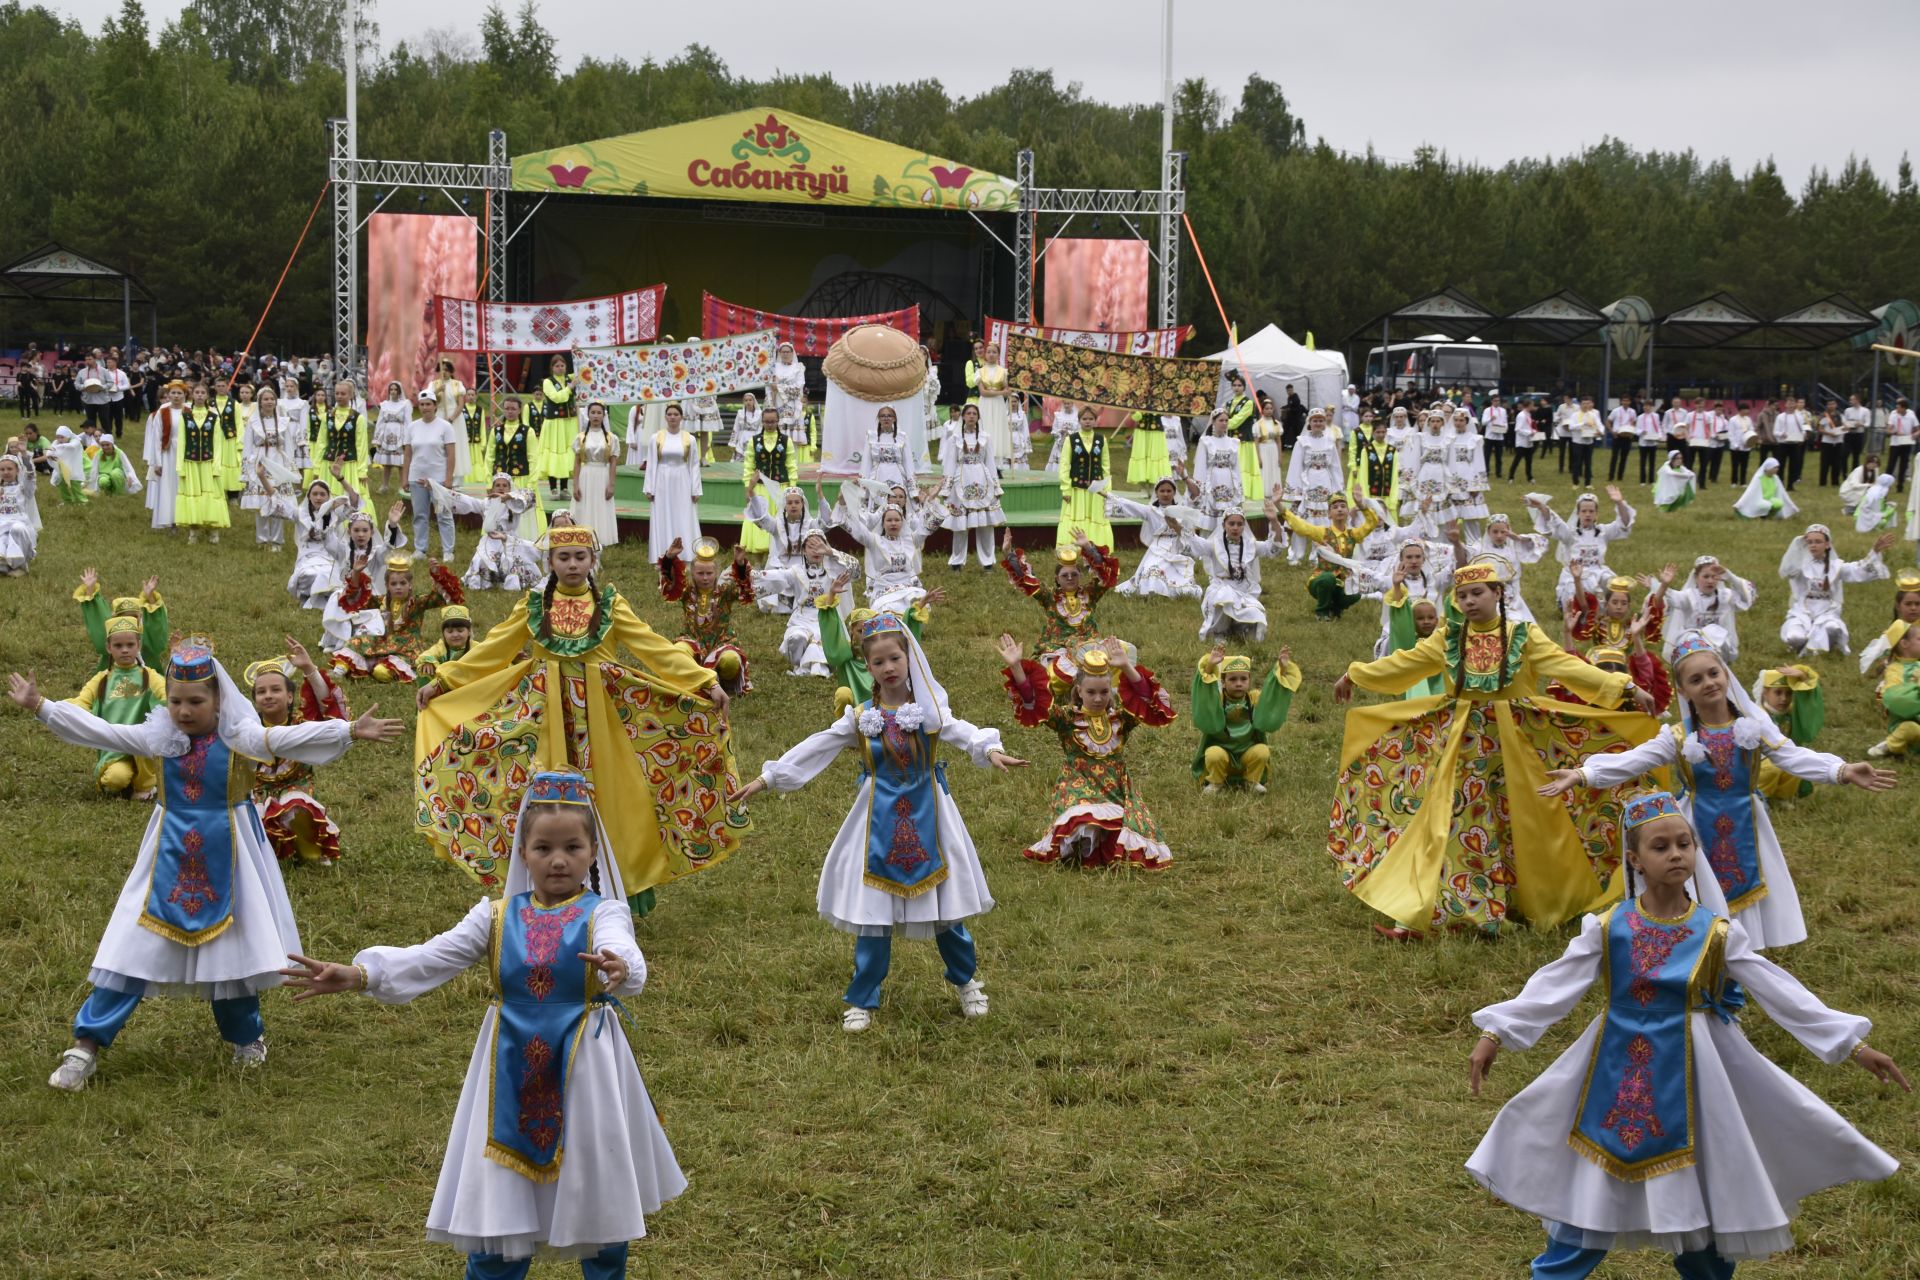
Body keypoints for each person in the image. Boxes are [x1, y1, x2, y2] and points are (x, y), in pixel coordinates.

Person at [1465, 790, 1907, 1280]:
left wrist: (1853, 1044)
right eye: (1660, 847)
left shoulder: (1716, 932)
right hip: (1612, 1072)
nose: (1676, 854)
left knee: (1700, 1190)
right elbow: (1556, 982)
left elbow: (1778, 990)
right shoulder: (1610, 926)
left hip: (1699, 1076)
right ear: (1634, 859)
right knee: (1591, 1190)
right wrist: (1496, 1032)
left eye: (1684, 843)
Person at [277, 769, 684, 1276]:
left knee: (595, 1175)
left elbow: (621, 947)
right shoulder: (493, 917)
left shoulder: (605, 912)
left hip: (586, 1065)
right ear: (522, 852)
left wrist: (620, 966)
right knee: (500, 1191)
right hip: (507, 1066)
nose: (558, 859)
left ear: (594, 851)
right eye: (543, 848)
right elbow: (432, 957)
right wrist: (361, 974)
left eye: (573, 847)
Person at [9, 642, 401, 1092]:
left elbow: (283, 739)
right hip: (166, 856)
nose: (184, 711)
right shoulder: (160, 738)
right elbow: (104, 732)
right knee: (132, 946)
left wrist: (348, 730)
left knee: (233, 950)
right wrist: (41, 706)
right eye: (176, 701)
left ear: (219, 700)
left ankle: (246, 1037)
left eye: (196, 701)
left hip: (231, 854)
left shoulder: (240, 736)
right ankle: (86, 1046)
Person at [1330, 555, 1657, 940]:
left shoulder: (1524, 635)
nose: (1469, 602)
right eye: (1462, 595)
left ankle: (1533, 902)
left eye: (1477, 593)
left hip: (1518, 745)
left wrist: (1625, 687)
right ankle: (1448, 911)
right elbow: (1406, 664)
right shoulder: (1448, 637)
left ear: (1497, 593)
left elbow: (1568, 668)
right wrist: (1356, 673)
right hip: (1462, 747)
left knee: (1523, 822)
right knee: (1452, 823)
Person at [415, 526, 742, 905]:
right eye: (564, 557)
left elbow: (655, 648)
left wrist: (704, 680)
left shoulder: (610, 606)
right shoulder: (534, 605)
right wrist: (444, 681)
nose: (573, 565)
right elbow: (494, 647)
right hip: (542, 714)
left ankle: (615, 890)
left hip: (603, 718)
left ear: (592, 561)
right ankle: (540, 890)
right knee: (541, 796)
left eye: (580, 557)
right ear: (551, 562)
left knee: (614, 796)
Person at [730, 612, 1024, 1031]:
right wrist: (768, 777)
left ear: (909, 659)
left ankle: (966, 981)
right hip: (877, 821)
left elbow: (961, 731)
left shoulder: (929, 712)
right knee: (873, 913)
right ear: (866, 667)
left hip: (931, 817)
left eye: (895, 659)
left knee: (946, 909)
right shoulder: (861, 717)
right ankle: (863, 998)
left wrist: (989, 749)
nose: (888, 668)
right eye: (878, 662)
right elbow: (818, 747)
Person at [1542, 632, 1896, 950]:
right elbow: (1635, 759)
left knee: (1748, 880)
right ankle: (1701, 946)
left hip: (1747, 821)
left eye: (1714, 673)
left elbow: (1792, 756)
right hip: (1697, 824)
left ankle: (1745, 950)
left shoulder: (1754, 725)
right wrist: (1583, 773)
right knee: (1702, 887)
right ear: (1684, 691)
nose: (1709, 683)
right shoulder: (1679, 736)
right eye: (1696, 680)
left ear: (1726, 674)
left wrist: (1842, 770)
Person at [999, 634, 1177, 869]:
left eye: (1104, 692)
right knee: (1084, 821)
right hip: (1078, 785)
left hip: (1116, 789)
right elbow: (1034, 702)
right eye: (1091, 692)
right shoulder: (1067, 718)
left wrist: (1126, 666)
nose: (1098, 698)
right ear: (1079, 691)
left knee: (1123, 841)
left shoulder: (1120, 719)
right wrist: (1016, 667)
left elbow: (1149, 702)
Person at [246, 639, 350, 868]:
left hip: (295, 788)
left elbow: (328, 711)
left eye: (275, 690)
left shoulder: (301, 724)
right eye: (261, 692)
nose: (268, 695)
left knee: (296, 809)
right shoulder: (248, 729)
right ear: (255, 700)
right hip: (258, 793)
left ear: (290, 696)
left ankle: (308, 848)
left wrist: (309, 669)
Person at [65, 614, 166, 799]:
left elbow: (169, 695)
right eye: (118, 646)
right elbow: (81, 702)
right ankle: (137, 784)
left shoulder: (150, 676)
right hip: (114, 749)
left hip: (144, 751)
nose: (125, 650)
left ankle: (144, 783)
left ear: (139, 645)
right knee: (114, 781)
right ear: (109, 648)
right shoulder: (101, 679)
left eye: (130, 645)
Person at [327, 552, 462, 684]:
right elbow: (354, 599)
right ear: (387, 586)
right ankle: (339, 671)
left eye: (403, 583)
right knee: (356, 641)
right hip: (381, 643)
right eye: (394, 584)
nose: (398, 587)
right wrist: (356, 573)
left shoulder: (417, 602)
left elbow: (439, 598)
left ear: (410, 585)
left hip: (406, 648)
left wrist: (437, 573)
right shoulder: (381, 601)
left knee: (380, 672)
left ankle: (381, 668)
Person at [1189, 645, 1299, 794]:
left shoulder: (1254, 698)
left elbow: (1272, 696)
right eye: (1232, 679)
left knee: (1262, 751)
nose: (1238, 683)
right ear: (1223, 682)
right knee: (1213, 753)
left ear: (1249, 680)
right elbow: (1204, 692)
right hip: (1223, 754)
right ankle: (1216, 782)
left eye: (1243, 679)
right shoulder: (1217, 699)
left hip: (1247, 754)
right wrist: (1210, 666)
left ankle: (1251, 781)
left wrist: (1282, 669)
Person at [1000, 529, 1117, 665]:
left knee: (1122, 650)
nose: (1069, 578)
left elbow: (1106, 574)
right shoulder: (1050, 596)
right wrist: (1008, 554)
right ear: (1057, 579)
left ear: (1080, 576)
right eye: (1064, 575)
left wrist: (1088, 548)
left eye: (1074, 574)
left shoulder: (1089, 593)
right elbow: (1024, 578)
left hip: (1089, 644)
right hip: (1059, 647)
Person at [657, 537, 754, 697]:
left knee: (730, 661)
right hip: (692, 640)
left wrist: (740, 564)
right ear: (692, 573)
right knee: (677, 653)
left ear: (716, 573)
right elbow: (669, 584)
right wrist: (669, 557)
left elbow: (745, 590)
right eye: (700, 573)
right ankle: (692, 682)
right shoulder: (686, 590)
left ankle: (723, 683)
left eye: (709, 573)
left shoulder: (725, 590)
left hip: (722, 642)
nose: (705, 577)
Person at [1779, 525, 1895, 655]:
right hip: (1802, 612)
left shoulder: (1836, 566)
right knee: (1794, 637)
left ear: (1827, 544)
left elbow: (1858, 569)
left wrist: (1874, 551)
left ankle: (1824, 644)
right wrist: (1797, 543)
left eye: (1818, 542)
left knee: (1832, 628)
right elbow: (1786, 570)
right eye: (1810, 542)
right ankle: (1802, 644)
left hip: (1826, 613)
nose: (1813, 545)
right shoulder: (1799, 566)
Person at [1184, 504, 1283, 643]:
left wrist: (1274, 521)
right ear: (1224, 525)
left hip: (1244, 590)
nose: (1235, 528)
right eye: (1231, 523)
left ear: (1244, 526)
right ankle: (1219, 632)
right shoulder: (1214, 545)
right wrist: (1178, 523)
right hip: (1221, 587)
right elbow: (1194, 542)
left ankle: (1239, 629)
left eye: (1239, 524)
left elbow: (1273, 548)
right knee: (1225, 597)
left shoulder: (1251, 546)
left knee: (1256, 617)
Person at [434, 474, 542, 591]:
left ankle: (510, 582)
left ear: (509, 488)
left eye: (505, 485)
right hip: (490, 541)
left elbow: (530, 495)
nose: (501, 488)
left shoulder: (514, 503)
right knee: (480, 559)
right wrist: (435, 488)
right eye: (498, 485)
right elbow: (465, 501)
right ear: (492, 488)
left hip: (508, 540)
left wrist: (508, 497)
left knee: (510, 560)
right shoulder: (486, 503)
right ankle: (485, 581)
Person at [1282, 494, 1377, 620]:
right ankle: (1322, 612)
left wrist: (1361, 505)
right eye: (1335, 507)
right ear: (1329, 514)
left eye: (1343, 506)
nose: (1339, 509)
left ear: (1348, 512)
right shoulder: (1322, 532)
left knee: (1358, 591)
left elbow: (1372, 523)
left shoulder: (1353, 534)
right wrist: (1280, 506)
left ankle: (1335, 608)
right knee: (1328, 578)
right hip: (1321, 579)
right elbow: (1301, 527)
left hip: (1343, 581)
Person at [1106, 476, 1202, 599]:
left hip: (1175, 550)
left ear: (1174, 492)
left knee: (1180, 583)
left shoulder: (1181, 511)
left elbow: (1195, 497)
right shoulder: (1151, 511)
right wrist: (1105, 494)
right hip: (1156, 551)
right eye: (1162, 491)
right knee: (1152, 572)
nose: (1165, 494)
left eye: (1169, 491)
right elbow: (1129, 505)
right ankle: (1153, 590)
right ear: (1156, 493)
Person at [937, 403, 1003, 569]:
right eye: (969, 413)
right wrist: (946, 487)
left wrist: (996, 486)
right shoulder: (955, 438)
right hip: (961, 482)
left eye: (974, 413)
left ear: (978, 417)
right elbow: (950, 464)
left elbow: (990, 463)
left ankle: (988, 561)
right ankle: (957, 561)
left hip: (982, 482)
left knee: (986, 524)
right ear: (963, 416)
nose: (972, 416)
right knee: (960, 523)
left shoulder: (986, 438)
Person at [240, 384, 301, 552]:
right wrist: (247, 471)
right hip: (260, 461)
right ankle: (262, 539)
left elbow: (289, 446)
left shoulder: (283, 421)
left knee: (278, 501)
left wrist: (290, 470)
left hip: (278, 461)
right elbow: (247, 446)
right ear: (259, 402)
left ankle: (276, 541)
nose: (269, 402)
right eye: (265, 399)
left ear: (276, 401)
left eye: (272, 399)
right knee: (262, 503)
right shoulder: (253, 422)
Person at [1662, 556, 1756, 662]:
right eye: (1706, 577)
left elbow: (1747, 596)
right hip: (1693, 647)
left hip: (1718, 646)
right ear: (1696, 578)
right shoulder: (1689, 596)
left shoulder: (1725, 596)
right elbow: (1668, 598)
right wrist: (1664, 584)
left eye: (1714, 577)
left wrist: (1729, 576)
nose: (1710, 581)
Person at [403, 391, 458, 561]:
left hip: (439, 479)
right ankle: (420, 549)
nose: (425, 407)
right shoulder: (412, 427)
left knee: (444, 514)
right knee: (419, 515)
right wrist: (405, 478)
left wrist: (448, 479)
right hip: (416, 477)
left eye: (429, 404)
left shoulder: (445, 426)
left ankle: (448, 551)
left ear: (435, 406)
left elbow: (451, 455)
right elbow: (407, 455)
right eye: (422, 404)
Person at [643, 403, 701, 563]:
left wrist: (695, 489)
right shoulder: (656, 437)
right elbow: (652, 463)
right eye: (670, 414)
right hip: (662, 480)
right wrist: (649, 487)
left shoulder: (690, 439)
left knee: (683, 513)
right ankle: (662, 553)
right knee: (663, 513)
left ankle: (685, 553)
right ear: (665, 417)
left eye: (676, 414)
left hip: (682, 479)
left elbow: (694, 464)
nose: (673, 417)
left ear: (681, 417)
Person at [1055, 412, 1113, 550]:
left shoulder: (1101, 440)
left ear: (1095, 421)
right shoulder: (1071, 440)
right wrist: (1066, 489)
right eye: (1084, 419)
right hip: (1076, 490)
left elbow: (1105, 466)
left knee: (1095, 518)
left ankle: (1096, 551)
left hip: (1096, 491)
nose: (1087, 421)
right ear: (1079, 420)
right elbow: (1064, 465)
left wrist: (1107, 488)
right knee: (1076, 519)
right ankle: (1073, 551)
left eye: (1091, 419)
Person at [570, 400, 622, 550]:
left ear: (604, 415)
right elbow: (578, 462)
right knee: (584, 505)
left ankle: (600, 538)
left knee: (600, 505)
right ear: (588, 415)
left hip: (602, 475)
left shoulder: (611, 438)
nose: (596, 416)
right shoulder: (580, 437)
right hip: (586, 475)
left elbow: (613, 462)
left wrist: (611, 484)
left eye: (599, 413)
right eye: (593, 412)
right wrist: (575, 484)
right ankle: (583, 538)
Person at [1866, 621, 1920, 758]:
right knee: (1910, 728)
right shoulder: (1894, 670)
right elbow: (1896, 699)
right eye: (1919, 639)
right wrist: (1916, 685)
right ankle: (1890, 745)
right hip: (1908, 722)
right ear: (1904, 644)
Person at [538, 353, 578, 496]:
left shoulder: (570, 378)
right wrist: (569, 388)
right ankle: (553, 487)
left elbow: (584, 370)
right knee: (555, 453)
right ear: (552, 368)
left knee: (568, 453)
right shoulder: (547, 382)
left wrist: (577, 352)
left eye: (562, 365)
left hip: (569, 422)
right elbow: (556, 398)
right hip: (555, 423)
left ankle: (565, 487)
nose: (560, 368)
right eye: (557, 366)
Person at [371, 380, 410, 494]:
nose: (393, 392)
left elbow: (408, 421)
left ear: (399, 391)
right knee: (387, 463)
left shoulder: (405, 404)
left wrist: (407, 439)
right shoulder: (384, 405)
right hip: (386, 436)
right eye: (391, 389)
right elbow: (380, 421)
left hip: (399, 435)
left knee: (401, 463)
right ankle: (384, 486)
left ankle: (403, 486)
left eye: (395, 389)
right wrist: (377, 438)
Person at [1888, 396, 1916, 491]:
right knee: (1891, 464)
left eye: (1898, 406)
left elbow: (1917, 428)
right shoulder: (1893, 414)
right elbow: (1888, 430)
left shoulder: (1911, 415)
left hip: (1906, 442)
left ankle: (1900, 485)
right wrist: (1895, 432)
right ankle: (1886, 484)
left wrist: (1915, 434)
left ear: (1904, 408)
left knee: (1903, 464)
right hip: (1895, 443)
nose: (1896, 408)